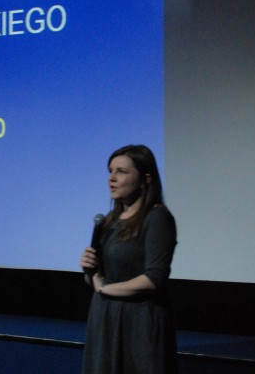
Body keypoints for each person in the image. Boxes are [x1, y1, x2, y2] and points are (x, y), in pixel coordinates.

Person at [80, 145, 178, 373]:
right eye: (110, 171)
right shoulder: (109, 220)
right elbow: (98, 280)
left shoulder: (157, 218)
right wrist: (89, 270)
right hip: (105, 317)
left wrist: (105, 288)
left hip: (139, 321)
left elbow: (154, 279)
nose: (112, 178)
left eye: (121, 172)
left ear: (145, 179)